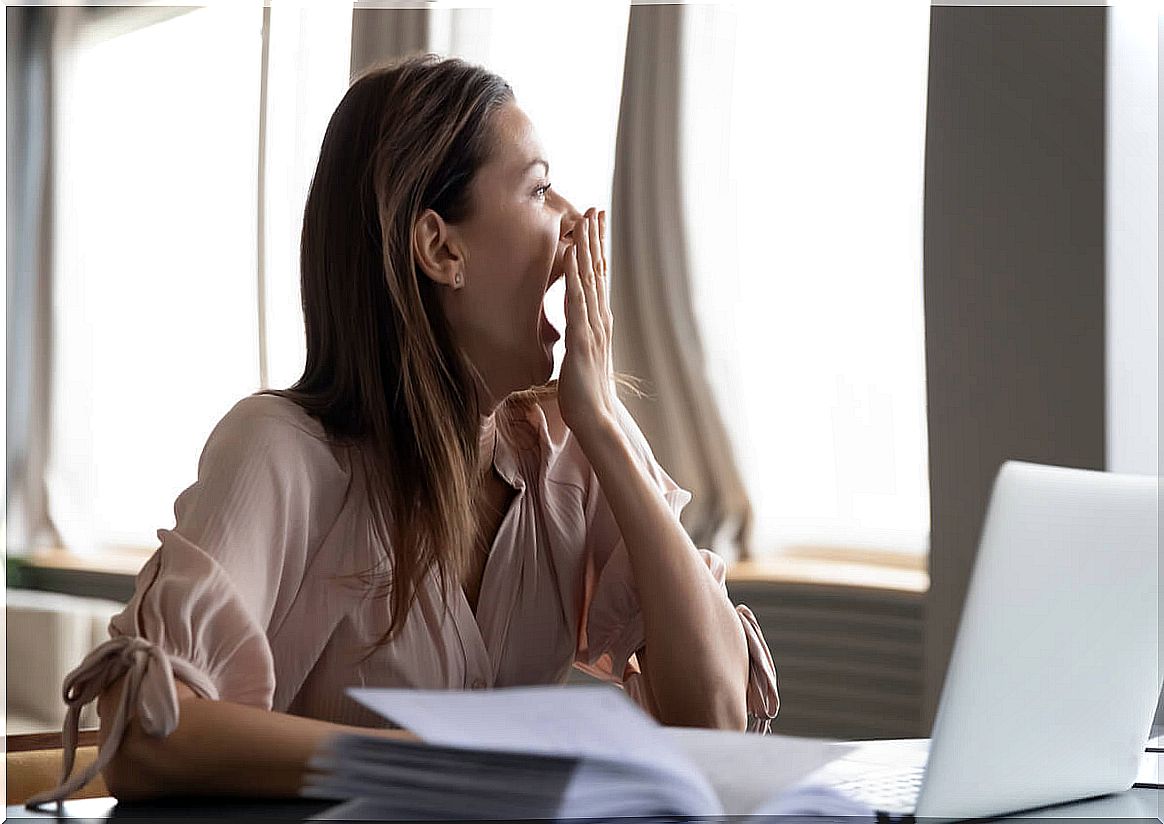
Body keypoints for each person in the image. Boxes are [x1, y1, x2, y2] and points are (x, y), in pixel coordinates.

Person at [27, 53, 778, 809]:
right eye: (540, 187)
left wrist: (606, 428)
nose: (576, 220)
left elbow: (714, 720)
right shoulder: (281, 451)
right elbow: (141, 736)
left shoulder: (575, 446)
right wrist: (446, 762)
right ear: (440, 248)